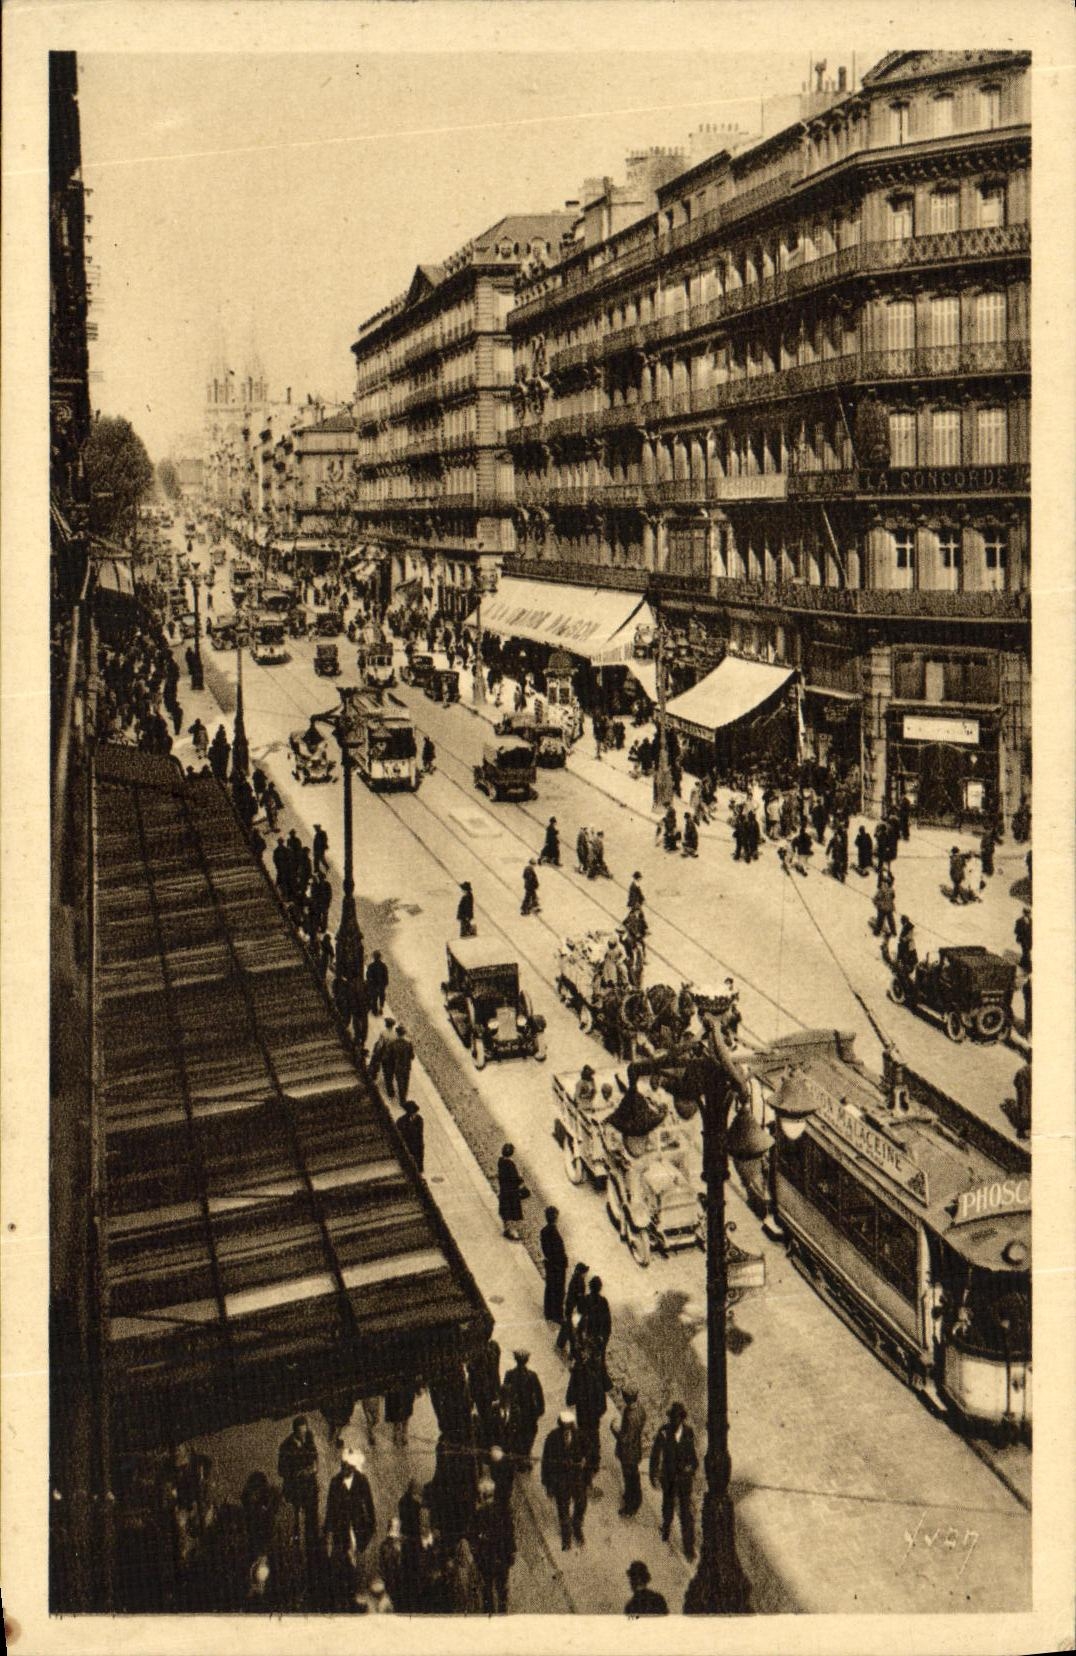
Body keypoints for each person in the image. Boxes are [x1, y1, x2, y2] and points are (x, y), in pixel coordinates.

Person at [323, 1442, 377, 1608]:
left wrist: (371, 1525)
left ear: (353, 1467)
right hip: (342, 1529)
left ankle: (356, 1593)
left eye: (348, 1466)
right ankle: (344, 1594)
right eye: (343, 1465)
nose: (345, 1468)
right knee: (343, 1561)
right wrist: (328, 1530)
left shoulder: (362, 1481)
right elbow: (330, 1507)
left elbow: (369, 1504)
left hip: (358, 1528)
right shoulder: (335, 1482)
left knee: (359, 1562)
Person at [649, 1402, 698, 1561]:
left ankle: (689, 1549)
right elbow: (655, 1455)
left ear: (682, 1419)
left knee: (686, 1515)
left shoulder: (689, 1433)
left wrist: (690, 1469)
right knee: (667, 1506)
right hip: (668, 1479)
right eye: (671, 1418)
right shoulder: (663, 1432)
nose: (674, 1422)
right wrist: (653, 1475)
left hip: (684, 1482)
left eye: (677, 1418)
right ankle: (666, 1528)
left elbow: (694, 1459)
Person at [540, 1408, 591, 1551]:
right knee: (563, 1509)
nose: (567, 1429)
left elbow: (589, 1453)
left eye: (569, 1425)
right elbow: (546, 1462)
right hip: (560, 1481)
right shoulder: (552, 1438)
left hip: (577, 1479)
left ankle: (577, 1526)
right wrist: (547, 1484)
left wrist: (585, 1463)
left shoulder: (580, 1436)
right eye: (565, 1425)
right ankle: (566, 1536)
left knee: (581, 1504)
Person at [277, 1417, 319, 1564]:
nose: (303, 1435)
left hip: (310, 1488)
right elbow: (281, 1471)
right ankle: (295, 1546)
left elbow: (314, 1456)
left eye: (305, 1431)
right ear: (294, 1432)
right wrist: (298, 1473)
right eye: (300, 1433)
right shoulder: (285, 1447)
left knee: (311, 1519)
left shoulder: (309, 1439)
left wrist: (314, 1467)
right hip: (295, 1489)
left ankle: (312, 1549)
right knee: (294, 1519)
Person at [471, 1477, 515, 1613]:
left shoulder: (479, 1514)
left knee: (487, 1589)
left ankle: (489, 1614)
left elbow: (473, 1536)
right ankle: (503, 1611)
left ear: (482, 1495)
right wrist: (511, 1553)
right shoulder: (504, 1510)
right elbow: (510, 1534)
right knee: (502, 1589)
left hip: (487, 1561)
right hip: (502, 1558)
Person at [566, 1344, 607, 1476]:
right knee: (592, 1433)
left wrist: (571, 1399)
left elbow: (572, 1391)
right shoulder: (594, 1368)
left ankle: (583, 1457)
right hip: (592, 1409)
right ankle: (591, 1461)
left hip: (585, 1409)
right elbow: (603, 1387)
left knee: (587, 1432)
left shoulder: (580, 1370)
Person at [499, 1350, 545, 1468]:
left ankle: (518, 1457)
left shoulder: (509, 1374)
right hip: (528, 1411)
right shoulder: (532, 1376)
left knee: (517, 1434)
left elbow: (504, 1393)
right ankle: (524, 1457)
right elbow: (539, 1394)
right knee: (527, 1434)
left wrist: (505, 1409)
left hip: (516, 1411)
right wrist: (540, 1410)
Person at [611, 1386, 647, 1518]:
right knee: (634, 1477)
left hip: (628, 1454)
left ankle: (630, 1507)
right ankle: (632, 1499)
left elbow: (625, 1439)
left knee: (630, 1479)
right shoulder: (640, 1409)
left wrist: (614, 1429)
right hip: (635, 1450)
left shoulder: (629, 1414)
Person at [539, 1205, 568, 1324]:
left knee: (550, 1288)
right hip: (557, 1266)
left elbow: (546, 1249)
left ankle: (548, 1312)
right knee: (558, 1290)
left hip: (550, 1264)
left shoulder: (544, 1231)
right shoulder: (553, 1232)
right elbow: (557, 1251)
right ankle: (557, 1315)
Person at [496, 1143, 528, 1241]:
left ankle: (507, 1229)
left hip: (504, 1190)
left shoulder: (500, 1161)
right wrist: (521, 1179)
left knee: (505, 1211)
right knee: (512, 1212)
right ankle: (511, 1232)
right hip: (511, 1192)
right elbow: (514, 1179)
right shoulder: (510, 1164)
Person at [578, 1276, 612, 1365]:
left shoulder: (587, 1299)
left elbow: (580, 1314)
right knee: (596, 1357)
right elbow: (607, 1322)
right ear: (600, 1288)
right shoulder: (604, 1301)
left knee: (585, 1354)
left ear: (590, 1287)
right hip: (599, 1334)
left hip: (590, 1332)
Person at [557, 1260, 589, 1353]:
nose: (585, 1274)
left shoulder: (575, 1278)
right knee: (569, 1326)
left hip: (569, 1305)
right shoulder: (580, 1282)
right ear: (582, 1273)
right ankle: (562, 1344)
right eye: (585, 1272)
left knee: (567, 1324)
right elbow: (579, 1297)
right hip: (573, 1307)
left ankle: (561, 1343)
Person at [368, 1017, 397, 1091]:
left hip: (383, 1053)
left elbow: (380, 1045)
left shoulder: (383, 1033)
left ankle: (372, 1077)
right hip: (391, 1056)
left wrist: (376, 1052)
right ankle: (390, 1089)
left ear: (387, 1024)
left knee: (376, 1065)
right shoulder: (395, 1035)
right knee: (388, 1073)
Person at [397, 1099, 425, 1175]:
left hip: (417, 1143)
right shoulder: (401, 1121)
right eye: (412, 1113)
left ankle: (419, 1171)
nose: (414, 1114)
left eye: (415, 1112)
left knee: (419, 1159)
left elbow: (419, 1132)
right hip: (408, 1143)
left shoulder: (419, 1119)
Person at [392, 1024, 414, 1104]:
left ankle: (402, 1099)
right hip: (407, 1066)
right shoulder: (408, 1043)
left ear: (397, 1033)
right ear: (404, 1033)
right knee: (406, 1081)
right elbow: (412, 1056)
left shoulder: (394, 1043)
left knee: (400, 1082)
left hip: (398, 1066)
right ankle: (404, 1096)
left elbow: (393, 1055)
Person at [365, 950, 389, 1015]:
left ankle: (374, 1011)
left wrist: (370, 984)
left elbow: (368, 976)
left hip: (374, 986)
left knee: (374, 998)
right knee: (381, 997)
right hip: (381, 985)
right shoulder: (384, 966)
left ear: (374, 957)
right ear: (380, 957)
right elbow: (386, 976)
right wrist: (385, 984)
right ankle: (381, 1007)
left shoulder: (371, 966)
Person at [1015, 907, 1032, 973]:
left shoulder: (1032, 921)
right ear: (1024, 913)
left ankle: (1023, 962)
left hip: (1029, 939)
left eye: (1029, 913)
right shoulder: (1019, 921)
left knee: (1026, 951)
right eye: (1027, 913)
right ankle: (1025, 964)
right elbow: (1016, 931)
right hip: (1023, 939)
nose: (1028, 914)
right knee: (1026, 951)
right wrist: (1021, 934)